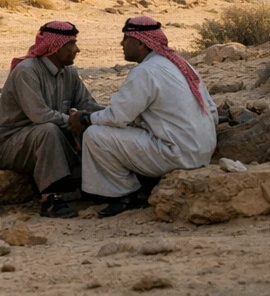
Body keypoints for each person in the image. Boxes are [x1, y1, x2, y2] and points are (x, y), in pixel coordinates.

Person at [69, 16, 218, 217]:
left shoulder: (146, 71)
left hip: (177, 153)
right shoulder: (180, 64)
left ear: (140, 43)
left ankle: (123, 195)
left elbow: (118, 117)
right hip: (203, 150)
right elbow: (212, 109)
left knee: (96, 135)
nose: (121, 44)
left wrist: (85, 118)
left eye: (126, 39)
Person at [0, 21, 103, 218]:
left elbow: (87, 104)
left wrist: (113, 115)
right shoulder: (27, 71)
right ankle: (51, 199)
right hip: (10, 145)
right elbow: (39, 115)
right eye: (71, 44)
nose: (78, 49)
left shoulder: (70, 73)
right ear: (55, 47)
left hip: (52, 138)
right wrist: (75, 120)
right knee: (48, 130)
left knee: (94, 127)